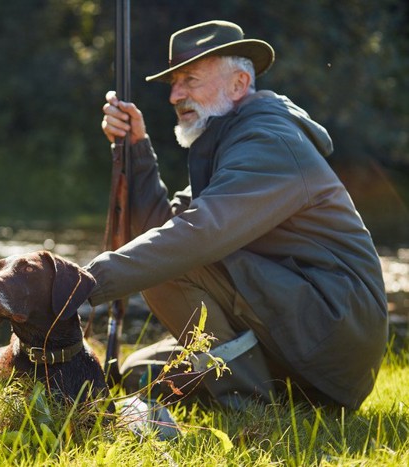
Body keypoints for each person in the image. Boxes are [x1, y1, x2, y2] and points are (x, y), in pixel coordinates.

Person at [85, 20, 388, 410]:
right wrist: (136, 148)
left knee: (171, 259)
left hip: (333, 341)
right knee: (139, 372)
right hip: (299, 327)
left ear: (239, 84)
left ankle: (248, 405)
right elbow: (160, 230)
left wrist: (85, 282)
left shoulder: (268, 142)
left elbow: (194, 238)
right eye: (174, 82)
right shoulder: (228, 138)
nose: (175, 95)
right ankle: (261, 389)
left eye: (190, 79)